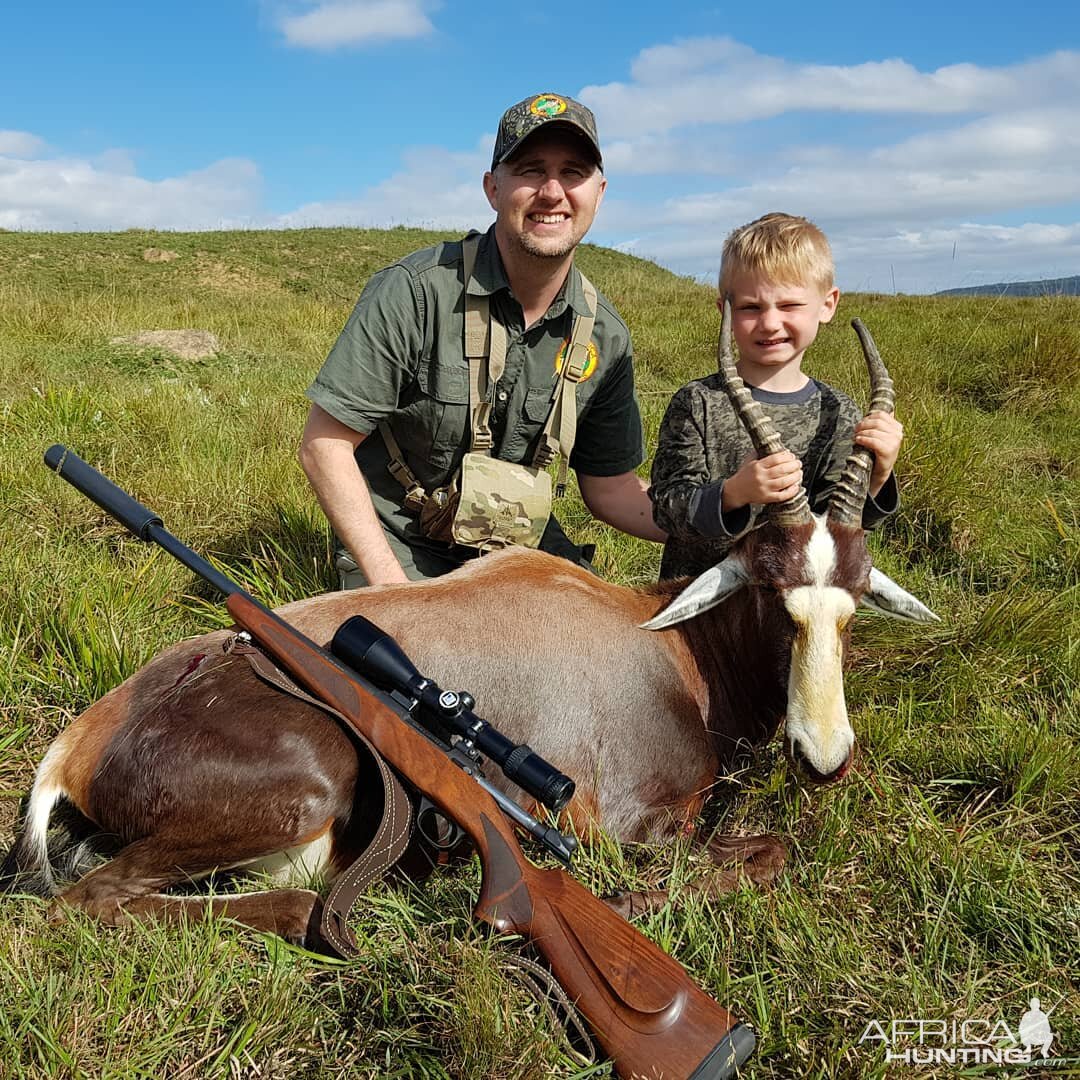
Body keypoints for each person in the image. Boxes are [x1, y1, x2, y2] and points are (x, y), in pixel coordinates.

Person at [300, 92, 664, 588]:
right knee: (409, 661)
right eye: (531, 170)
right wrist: (393, 589)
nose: (553, 192)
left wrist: (721, 521)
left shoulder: (606, 336)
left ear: (598, 193)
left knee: (610, 650)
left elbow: (612, 489)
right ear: (493, 189)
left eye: (573, 173)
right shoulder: (415, 291)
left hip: (518, 545)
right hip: (403, 545)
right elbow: (325, 446)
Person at [650, 212, 902, 579]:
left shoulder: (838, 413)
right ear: (724, 311)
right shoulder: (698, 402)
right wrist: (734, 493)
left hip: (793, 611)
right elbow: (665, 508)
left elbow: (839, 532)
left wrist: (878, 476)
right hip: (700, 612)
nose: (769, 323)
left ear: (827, 304)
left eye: (789, 306)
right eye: (751, 307)